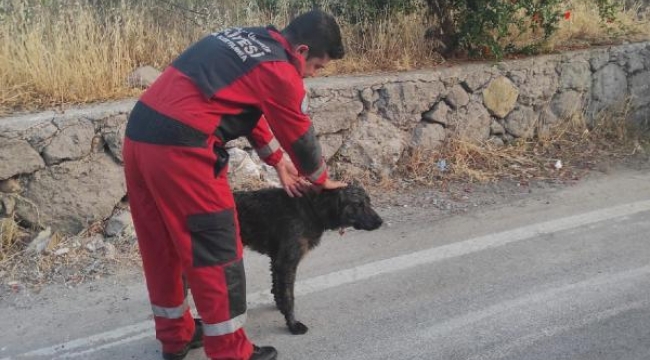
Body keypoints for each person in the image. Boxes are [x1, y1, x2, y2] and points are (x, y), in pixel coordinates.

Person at [122, 9, 347, 360]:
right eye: (317, 67)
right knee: (218, 252)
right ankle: (231, 351)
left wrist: (277, 162)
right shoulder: (282, 71)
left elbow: (245, 107)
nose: (313, 75)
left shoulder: (245, 40)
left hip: (139, 137)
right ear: (301, 51)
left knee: (161, 243)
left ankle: (175, 336)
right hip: (182, 150)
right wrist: (320, 180)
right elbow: (300, 134)